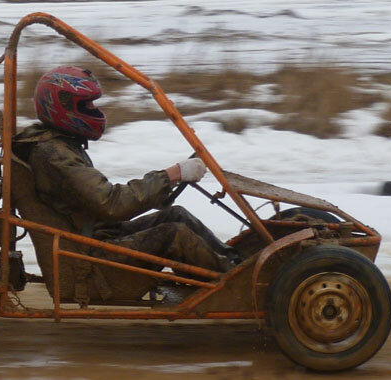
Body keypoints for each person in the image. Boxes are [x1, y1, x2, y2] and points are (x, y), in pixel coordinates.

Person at [13, 66, 240, 277]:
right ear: (62, 108)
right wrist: (171, 175)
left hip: (99, 236)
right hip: (93, 255)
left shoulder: (58, 145)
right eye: (86, 106)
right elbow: (111, 203)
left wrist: (165, 183)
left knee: (176, 215)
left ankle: (236, 265)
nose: (93, 110)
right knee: (174, 233)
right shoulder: (55, 155)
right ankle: (240, 283)